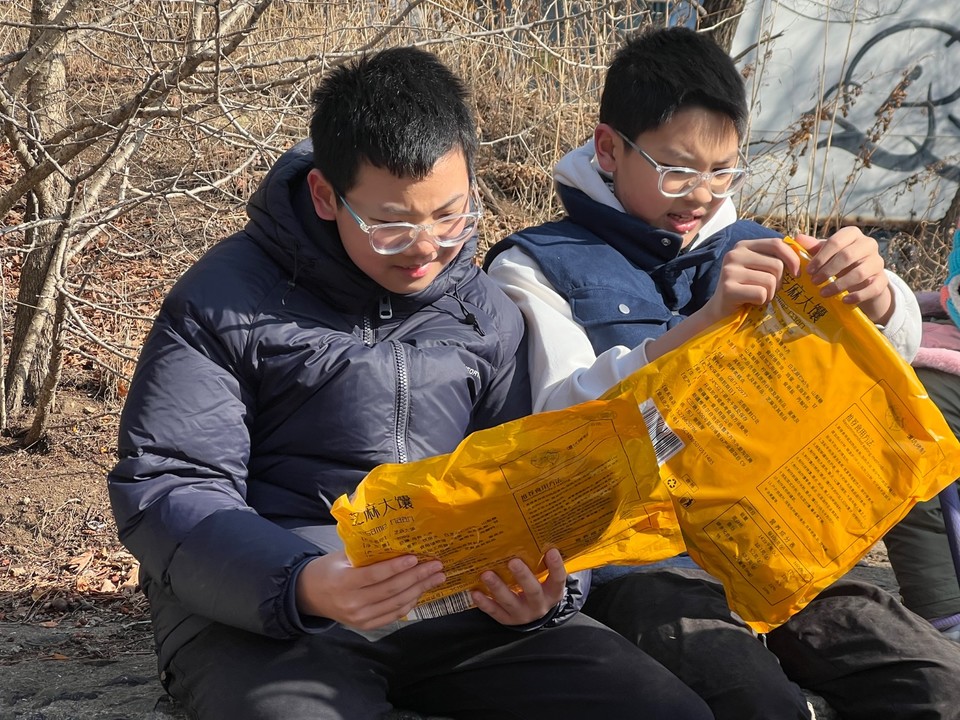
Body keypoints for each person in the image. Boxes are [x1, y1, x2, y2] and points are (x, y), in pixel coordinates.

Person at [106, 47, 714, 720]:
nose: (427, 247)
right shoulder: (223, 303)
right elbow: (170, 483)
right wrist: (302, 582)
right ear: (326, 196)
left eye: (450, 215)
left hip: (458, 602)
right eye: (392, 225)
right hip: (273, 614)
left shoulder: (487, 314)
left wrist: (550, 588)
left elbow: (529, 479)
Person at [486, 25, 960, 720]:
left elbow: (885, 356)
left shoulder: (758, 245)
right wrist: (699, 326)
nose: (703, 195)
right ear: (608, 148)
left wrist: (879, 295)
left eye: (724, 171)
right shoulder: (533, 265)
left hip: (780, 550)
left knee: (939, 684)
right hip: (637, 565)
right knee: (756, 700)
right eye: (678, 170)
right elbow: (560, 420)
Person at [883, 223, 960, 642]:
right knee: (918, 443)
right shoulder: (928, 392)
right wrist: (943, 608)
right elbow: (916, 492)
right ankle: (947, 609)